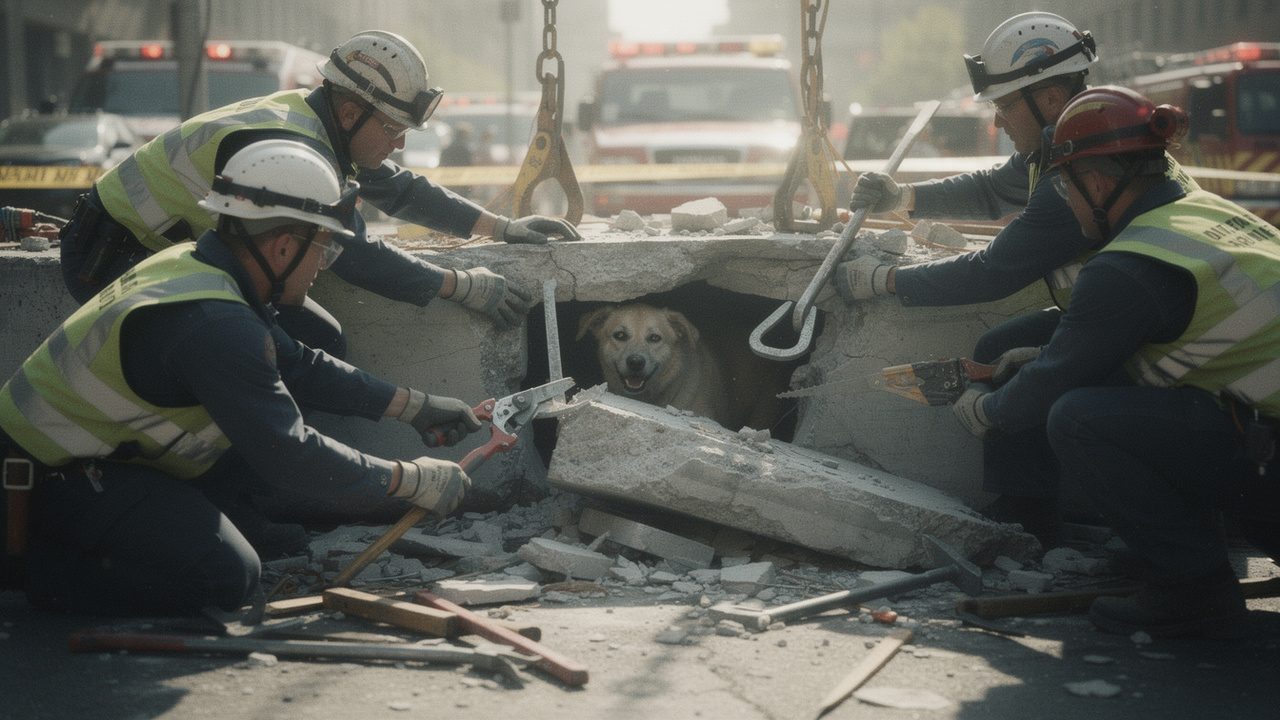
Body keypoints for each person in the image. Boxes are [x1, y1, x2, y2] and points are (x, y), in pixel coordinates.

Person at [0, 139, 486, 615]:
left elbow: (294, 362)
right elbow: (289, 455)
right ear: (281, 247)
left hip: (86, 460)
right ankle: (34, 570)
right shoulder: (216, 325)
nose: (321, 264)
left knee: (216, 541)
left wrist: (413, 404)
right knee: (225, 576)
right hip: (49, 481)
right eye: (322, 247)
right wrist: (408, 479)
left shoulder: (196, 264)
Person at [834, 12, 1193, 543]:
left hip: (1165, 345)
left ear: (1048, 99)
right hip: (1140, 319)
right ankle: (1027, 509)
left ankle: (1146, 545)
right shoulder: (1085, 145)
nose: (998, 123)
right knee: (1006, 344)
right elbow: (994, 187)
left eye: (1004, 107)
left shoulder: (1069, 181)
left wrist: (883, 281)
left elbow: (990, 273)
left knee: (1052, 393)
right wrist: (904, 197)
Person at [949, 86, 1280, 638]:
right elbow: (1172, 349)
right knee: (1140, 403)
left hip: (1269, 456)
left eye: (1064, 187)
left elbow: (1052, 384)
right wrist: (1043, 355)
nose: (1067, 202)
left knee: (1079, 417)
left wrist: (988, 412)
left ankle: (1192, 586)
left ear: (1097, 184)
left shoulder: (1128, 264)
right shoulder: (1204, 213)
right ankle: (1175, 547)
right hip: (1264, 440)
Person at [59, 30, 581, 360]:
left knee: (315, 341)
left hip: (155, 249)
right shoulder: (291, 144)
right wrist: (461, 286)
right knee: (254, 353)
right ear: (352, 112)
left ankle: (267, 487)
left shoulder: (315, 119)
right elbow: (352, 254)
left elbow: (399, 189)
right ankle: (252, 494)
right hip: (113, 256)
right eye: (395, 127)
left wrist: (502, 228)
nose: (400, 143)